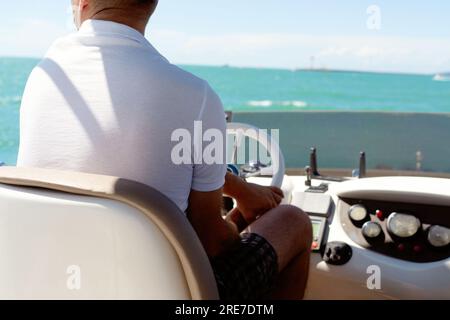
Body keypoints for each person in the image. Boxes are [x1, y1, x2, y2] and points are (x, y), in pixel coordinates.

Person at [17, 0, 312, 300]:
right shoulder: (197, 96)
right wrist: (237, 224)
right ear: (151, 5)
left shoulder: (43, 76)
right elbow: (213, 243)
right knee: (293, 221)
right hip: (160, 292)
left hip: (53, 284)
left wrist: (238, 188)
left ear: (82, 3)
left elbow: (113, 148)